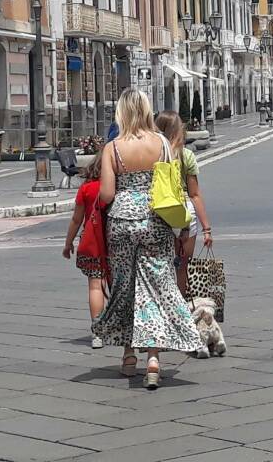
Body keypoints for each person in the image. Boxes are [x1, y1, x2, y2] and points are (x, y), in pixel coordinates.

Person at [92, 89, 202, 389]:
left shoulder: (113, 148)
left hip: (123, 222)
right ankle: (153, 358)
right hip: (156, 218)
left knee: (125, 287)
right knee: (157, 285)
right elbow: (172, 184)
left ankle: (129, 357)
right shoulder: (163, 143)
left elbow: (106, 194)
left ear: (122, 112)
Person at [154, 110, 213, 294]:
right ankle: (180, 312)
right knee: (182, 268)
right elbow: (194, 194)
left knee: (160, 268)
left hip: (158, 211)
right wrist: (207, 228)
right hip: (185, 213)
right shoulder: (186, 155)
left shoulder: (152, 155)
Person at [62, 155, 108, 348]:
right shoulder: (117, 187)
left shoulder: (86, 189)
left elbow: (76, 219)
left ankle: (98, 333)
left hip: (93, 241)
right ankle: (121, 329)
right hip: (116, 240)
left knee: (95, 286)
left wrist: (68, 243)